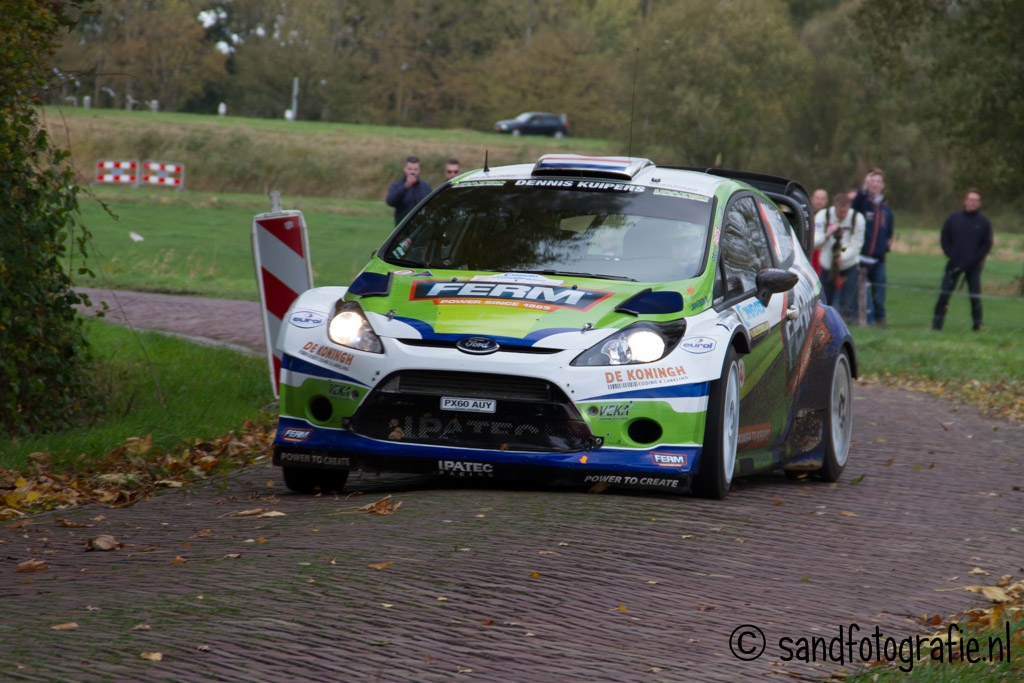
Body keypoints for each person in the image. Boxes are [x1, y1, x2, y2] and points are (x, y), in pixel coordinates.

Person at [931, 189, 993, 331]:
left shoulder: (984, 222)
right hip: (954, 264)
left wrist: (976, 259)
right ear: (965, 201)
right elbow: (944, 239)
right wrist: (952, 255)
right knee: (945, 295)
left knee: (975, 297)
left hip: (974, 266)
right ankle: (936, 326)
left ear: (979, 203)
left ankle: (978, 326)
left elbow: (987, 244)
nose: (973, 202)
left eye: (976, 200)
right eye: (971, 199)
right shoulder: (953, 219)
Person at [852, 169, 895, 327]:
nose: (875, 184)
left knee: (879, 294)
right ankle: (864, 322)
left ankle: (880, 322)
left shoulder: (887, 210)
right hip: (862, 258)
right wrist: (862, 189)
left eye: (878, 181)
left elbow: (889, 232)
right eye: (872, 181)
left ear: (882, 185)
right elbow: (854, 207)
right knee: (861, 294)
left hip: (878, 259)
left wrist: (886, 245)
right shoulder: (862, 203)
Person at [814, 193, 865, 321]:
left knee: (847, 300)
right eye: (839, 211)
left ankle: (847, 322)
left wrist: (842, 255)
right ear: (834, 206)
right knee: (826, 300)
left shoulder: (857, 218)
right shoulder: (823, 216)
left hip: (848, 264)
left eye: (845, 211)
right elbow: (815, 242)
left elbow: (856, 244)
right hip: (827, 263)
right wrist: (828, 234)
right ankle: (826, 323)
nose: (842, 214)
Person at [385, 155, 432, 225]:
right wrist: (405, 187)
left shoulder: (425, 187)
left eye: (415, 169)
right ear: (405, 169)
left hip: (421, 227)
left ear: (419, 170)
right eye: (410, 169)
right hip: (403, 228)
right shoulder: (397, 185)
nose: (412, 172)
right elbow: (390, 201)